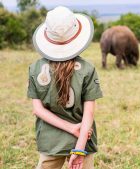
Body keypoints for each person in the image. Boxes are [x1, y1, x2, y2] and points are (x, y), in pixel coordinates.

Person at [27, 6, 102, 169]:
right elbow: (89, 113)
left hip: (50, 141)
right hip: (83, 139)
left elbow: (38, 110)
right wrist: (79, 149)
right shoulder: (88, 69)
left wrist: (70, 128)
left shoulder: (34, 69)